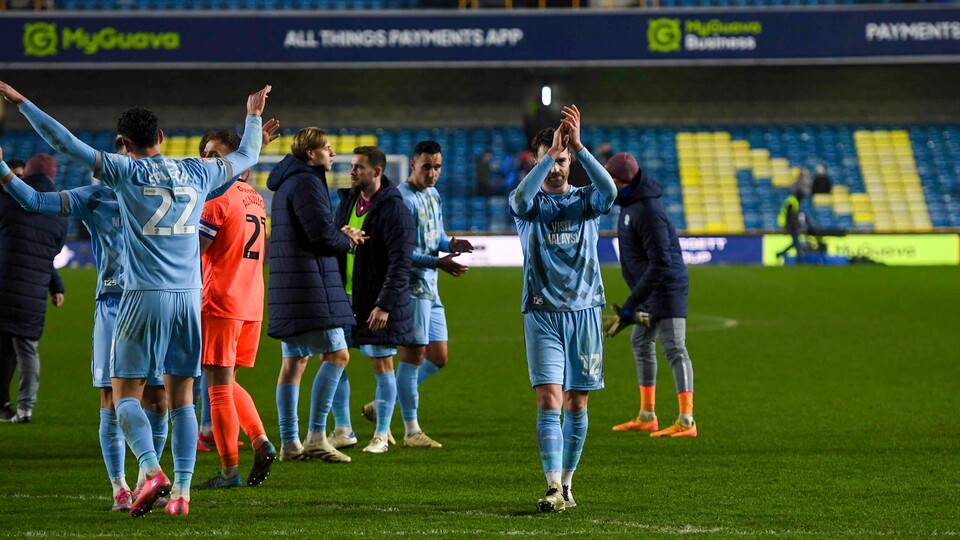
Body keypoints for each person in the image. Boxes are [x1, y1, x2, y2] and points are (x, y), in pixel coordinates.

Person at [0, 79, 270, 517]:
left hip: (140, 296)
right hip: (188, 300)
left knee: (124, 394)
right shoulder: (196, 170)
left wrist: (22, 103)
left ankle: (150, 469)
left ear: (124, 143)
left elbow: (63, 142)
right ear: (162, 137)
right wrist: (253, 116)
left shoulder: (123, 171)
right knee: (184, 397)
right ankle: (181, 492)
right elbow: (247, 156)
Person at [0, 138, 170, 512]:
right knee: (110, 398)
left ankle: (148, 480)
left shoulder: (162, 192)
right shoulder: (95, 199)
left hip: (155, 303)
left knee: (159, 397)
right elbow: (36, 201)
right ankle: (119, 488)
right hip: (113, 304)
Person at [510, 105, 617, 513]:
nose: (556, 168)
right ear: (537, 162)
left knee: (576, 403)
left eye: (562, 161)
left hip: (585, 310)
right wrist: (549, 152)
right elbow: (520, 197)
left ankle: (568, 485)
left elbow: (610, 193)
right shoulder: (530, 204)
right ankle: (552, 485)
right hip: (542, 313)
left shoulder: (586, 200)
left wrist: (580, 147)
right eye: (548, 161)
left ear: (571, 161)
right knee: (549, 400)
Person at [360, 140, 472, 449]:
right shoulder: (402, 200)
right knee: (413, 356)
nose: (432, 173)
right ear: (412, 166)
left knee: (438, 357)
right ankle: (411, 430)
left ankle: (380, 405)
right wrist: (438, 262)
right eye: (426, 167)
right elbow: (400, 253)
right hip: (410, 288)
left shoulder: (433, 195)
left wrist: (451, 244)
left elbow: (433, 235)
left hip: (431, 287)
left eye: (437, 167)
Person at [267, 127, 365, 464]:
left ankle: (290, 442)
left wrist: (336, 233)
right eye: (327, 148)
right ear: (311, 154)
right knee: (338, 355)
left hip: (290, 284)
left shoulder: (286, 181)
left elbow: (309, 230)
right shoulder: (308, 181)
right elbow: (319, 236)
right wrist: (346, 239)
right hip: (310, 286)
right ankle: (316, 437)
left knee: (294, 362)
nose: (333, 154)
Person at [194, 125, 282, 490]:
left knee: (216, 386)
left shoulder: (216, 200)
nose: (206, 161)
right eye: (205, 154)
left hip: (220, 300)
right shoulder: (254, 196)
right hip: (250, 301)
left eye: (215, 156)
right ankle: (260, 440)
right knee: (227, 383)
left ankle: (229, 472)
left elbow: (193, 252)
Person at [602, 152, 697, 438]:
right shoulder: (630, 205)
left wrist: (631, 304)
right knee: (641, 343)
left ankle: (687, 421)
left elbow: (661, 263)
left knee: (675, 349)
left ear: (618, 181)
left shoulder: (647, 211)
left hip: (667, 290)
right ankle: (647, 416)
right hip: (649, 291)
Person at [332, 146, 415, 453]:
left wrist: (385, 304)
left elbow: (400, 262)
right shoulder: (348, 201)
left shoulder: (394, 209)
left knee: (382, 364)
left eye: (358, 167)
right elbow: (333, 237)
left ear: (377, 172)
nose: (352, 172)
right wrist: (340, 232)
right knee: (334, 360)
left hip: (375, 302)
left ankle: (381, 435)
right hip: (345, 298)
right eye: (352, 166)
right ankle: (343, 429)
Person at [0, 153, 66, 425]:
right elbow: (53, 251)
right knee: (27, 351)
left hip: (3, 285)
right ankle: (25, 409)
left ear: (27, 173)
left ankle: (3, 404)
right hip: (34, 291)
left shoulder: (8, 199)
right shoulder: (59, 210)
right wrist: (55, 284)